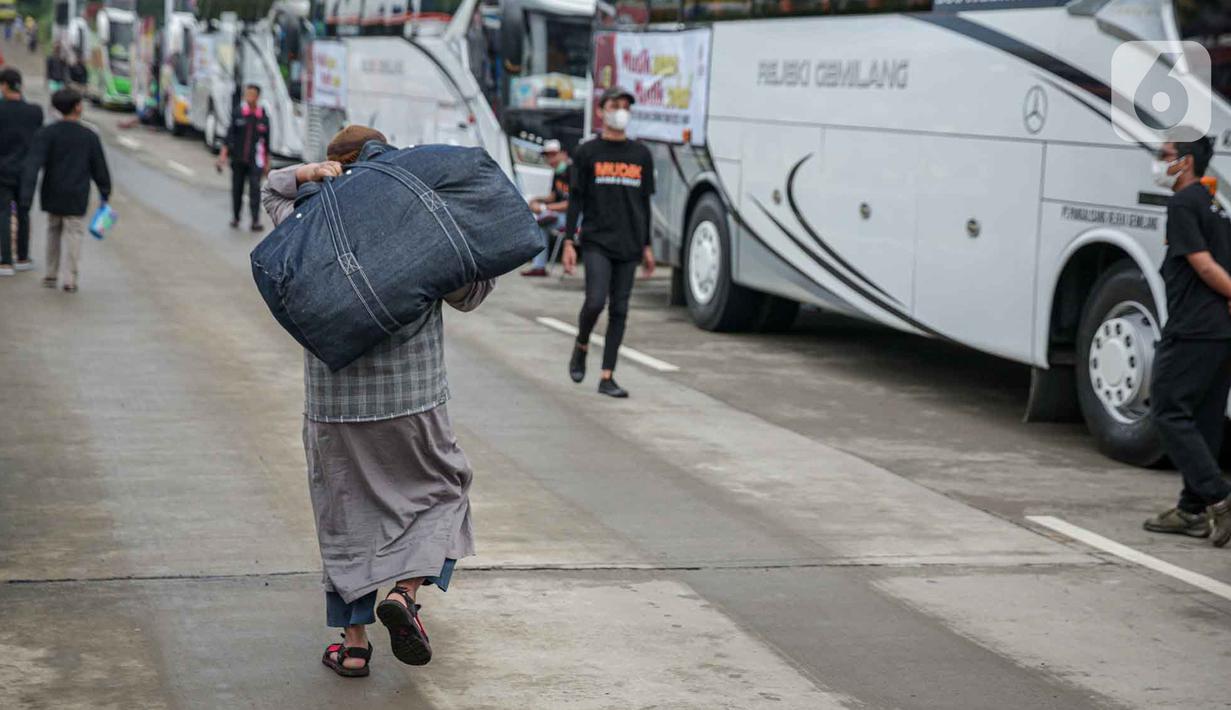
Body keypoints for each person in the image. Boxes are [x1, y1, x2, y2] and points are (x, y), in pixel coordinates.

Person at [261, 124, 493, 678]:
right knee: (443, 493)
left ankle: (355, 643)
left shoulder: (309, 217)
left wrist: (310, 175)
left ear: (332, 164)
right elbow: (472, 292)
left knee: (345, 517)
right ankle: (406, 594)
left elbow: (271, 187)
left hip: (333, 404)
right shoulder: (418, 222)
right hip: (413, 399)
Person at [1143, 136, 1231, 547]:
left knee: (1167, 409)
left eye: (1165, 156)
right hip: (1219, 331)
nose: (1159, 162)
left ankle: (1217, 496)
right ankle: (1192, 510)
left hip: (1193, 327)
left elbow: (1204, 265)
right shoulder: (1214, 204)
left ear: (1186, 162)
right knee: (1206, 418)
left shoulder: (1182, 204)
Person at [562, 85, 655, 398]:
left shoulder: (641, 154)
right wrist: (569, 242)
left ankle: (607, 375)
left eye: (626, 106)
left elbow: (644, 203)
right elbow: (575, 199)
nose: (621, 111)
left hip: (629, 243)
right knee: (595, 301)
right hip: (596, 240)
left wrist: (647, 245)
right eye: (615, 104)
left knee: (620, 309)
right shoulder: (588, 152)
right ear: (601, 110)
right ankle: (582, 344)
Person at [20, 88, 109, 293]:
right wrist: (105, 191)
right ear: (77, 107)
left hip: (52, 190)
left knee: (53, 230)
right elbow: (99, 167)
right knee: (74, 232)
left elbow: (33, 164)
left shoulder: (46, 133)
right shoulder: (89, 136)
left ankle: (51, 273)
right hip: (77, 193)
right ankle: (70, 277)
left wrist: (26, 194)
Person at [0, 67, 43, 276]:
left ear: (4, 86)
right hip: (27, 171)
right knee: (24, 213)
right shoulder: (35, 112)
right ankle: (23, 257)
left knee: (4, 213)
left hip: (2, 170)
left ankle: (5, 261)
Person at [216, 84, 270, 231]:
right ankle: (236, 217)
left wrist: (266, 164)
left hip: (255, 161)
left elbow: (267, 143)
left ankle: (255, 220)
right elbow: (229, 137)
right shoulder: (238, 113)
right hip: (238, 159)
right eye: (247, 94)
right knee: (237, 190)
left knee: (255, 190)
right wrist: (222, 157)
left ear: (257, 97)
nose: (249, 97)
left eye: (252, 94)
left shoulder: (263, 117)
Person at [521, 139, 571, 277]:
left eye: (553, 154)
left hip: (576, 218)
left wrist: (544, 207)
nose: (550, 159)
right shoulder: (558, 172)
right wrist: (535, 199)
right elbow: (554, 196)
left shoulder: (574, 171)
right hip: (562, 215)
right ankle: (539, 266)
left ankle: (539, 265)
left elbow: (572, 204)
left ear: (564, 154)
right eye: (547, 155)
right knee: (541, 223)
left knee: (545, 218)